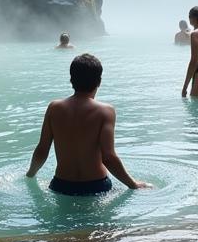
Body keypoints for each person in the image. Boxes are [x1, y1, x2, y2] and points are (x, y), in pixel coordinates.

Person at [26, 52, 150, 194]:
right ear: (99, 81)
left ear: (71, 80)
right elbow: (108, 157)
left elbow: (42, 149)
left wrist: (30, 174)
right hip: (97, 186)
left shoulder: (54, 108)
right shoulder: (105, 111)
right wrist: (133, 184)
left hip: (61, 185)